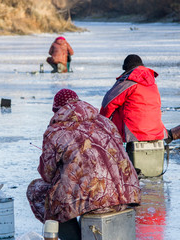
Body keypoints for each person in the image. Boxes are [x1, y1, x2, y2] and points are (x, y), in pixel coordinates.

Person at [27, 89, 141, 240]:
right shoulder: (105, 122)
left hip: (98, 199)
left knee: (38, 191)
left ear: (57, 110)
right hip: (128, 194)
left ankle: (72, 237)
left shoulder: (56, 130)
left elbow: (47, 175)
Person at [100, 54, 168, 143]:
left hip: (135, 132)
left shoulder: (128, 82)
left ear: (126, 68)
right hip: (156, 131)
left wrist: (100, 122)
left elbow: (108, 103)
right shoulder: (152, 83)